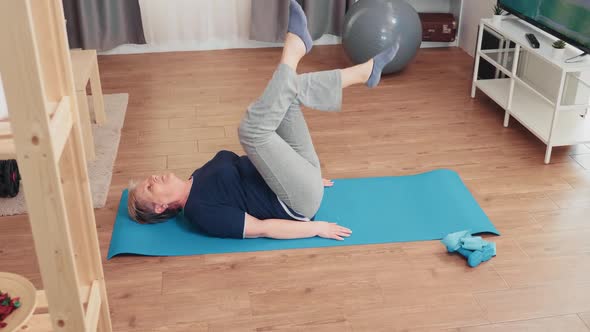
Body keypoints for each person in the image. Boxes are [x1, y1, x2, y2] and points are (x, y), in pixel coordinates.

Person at [127, 0, 399, 240]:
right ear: (161, 207)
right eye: (150, 187)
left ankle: (364, 73)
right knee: (251, 131)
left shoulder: (196, 177)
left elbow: (263, 167)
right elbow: (263, 227)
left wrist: (302, 174)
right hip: (298, 202)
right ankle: (294, 49)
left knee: (288, 95)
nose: (153, 177)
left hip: (300, 180)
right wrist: (317, 228)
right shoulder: (201, 213)